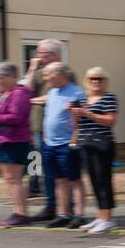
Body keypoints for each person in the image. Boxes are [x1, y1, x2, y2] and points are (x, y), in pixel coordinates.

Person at [71, 66, 120, 236]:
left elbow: (110, 121)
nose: (95, 82)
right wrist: (74, 113)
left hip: (102, 144)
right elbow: (77, 125)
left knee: (103, 180)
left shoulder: (109, 98)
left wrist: (89, 113)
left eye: (99, 79)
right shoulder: (84, 98)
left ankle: (107, 218)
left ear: (105, 81)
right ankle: (100, 216)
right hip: (86, 143)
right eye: (92, 79)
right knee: (93, 180)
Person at [0, 62, 34, 227]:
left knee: (14, 180)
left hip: (14, 140)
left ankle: (20, 213)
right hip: (7, 139)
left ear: (13, 76)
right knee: (13, 179)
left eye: (2, 77)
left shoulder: (18, 93)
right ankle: (19, 212)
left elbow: (16, 117)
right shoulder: (8, 93)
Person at [40, 62, 87, 229]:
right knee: (59, 180)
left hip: (67, 143)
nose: (45, 78)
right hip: (50, 143)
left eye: (48, 75)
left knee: (75, 180)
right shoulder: (51, 92)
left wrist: (74, 139)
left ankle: (79, 214)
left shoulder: (77, 92)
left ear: (60, 74)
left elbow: (83, 118)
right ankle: (63, 213)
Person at [23, 39, 63, 219]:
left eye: (41, 54)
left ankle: (62, 206)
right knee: (44, 167)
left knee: (57, 168)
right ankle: (50, 205)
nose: (37, 57)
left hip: (57, 129)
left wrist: (31, 100)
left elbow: (55, 97)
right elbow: (26, 90)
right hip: (38, 126)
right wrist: (32, 68)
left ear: (52, 55)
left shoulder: (63, 72)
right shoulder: (39, 73)